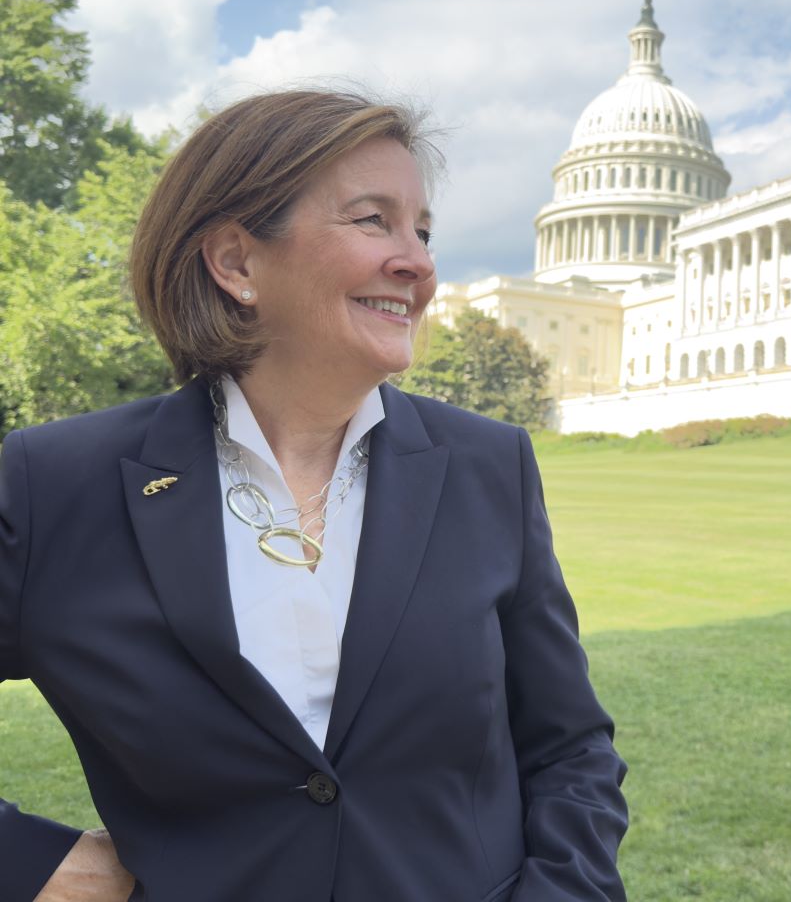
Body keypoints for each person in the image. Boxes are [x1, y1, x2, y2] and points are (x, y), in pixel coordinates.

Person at [0, 89, 627, 902]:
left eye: (423, 231)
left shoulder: (488, 464)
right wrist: (32, 863)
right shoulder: (56, 485)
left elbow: (570, 747)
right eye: (373, 221)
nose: (419, 264)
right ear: (236, 262)